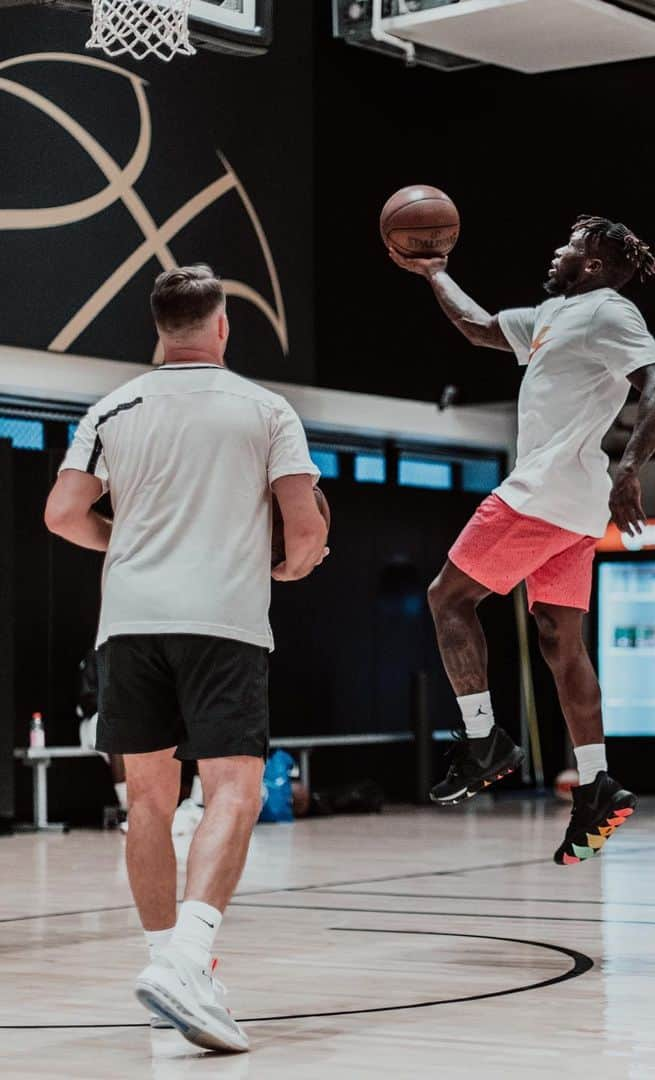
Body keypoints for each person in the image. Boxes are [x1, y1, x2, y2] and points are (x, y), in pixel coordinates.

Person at [44, 264, 328, 1053]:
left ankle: (163, 967)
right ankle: (188, 960)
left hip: (128, 623)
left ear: (158, 329)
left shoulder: (113, 406)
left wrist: (124, 540)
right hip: (222, 622)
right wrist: (292, 565)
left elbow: (63, 513)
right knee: (233, 790)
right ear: (223, 325)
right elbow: (304, 535)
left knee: (148, 803)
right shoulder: (266, 409)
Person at [390, 215, 655, 866]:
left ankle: (485, 739)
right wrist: (436, 272)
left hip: (544, 490)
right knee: (558, 640)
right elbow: (477, 326)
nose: (558, 250)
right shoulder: (555, 315)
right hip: (574, 510)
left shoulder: (609, 311)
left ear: (596, 264)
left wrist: (631, 468)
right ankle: (598, 781)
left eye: (571, 245)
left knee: (447, 600)